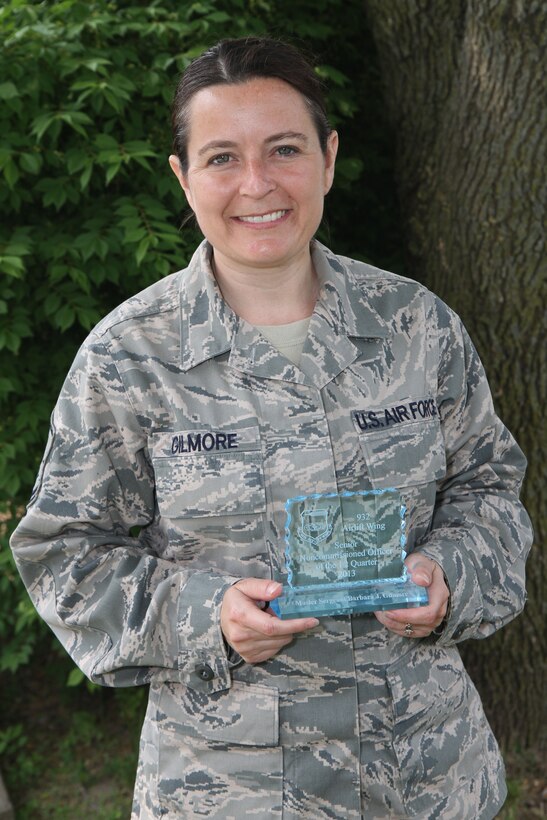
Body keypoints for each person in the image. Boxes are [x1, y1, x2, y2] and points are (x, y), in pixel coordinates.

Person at [10, 36, 533, 819]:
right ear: (183, 178)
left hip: (425, 781)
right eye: (221, 157)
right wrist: (205, 617)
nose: (256, 184)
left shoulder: (414, 325)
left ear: (326, 157)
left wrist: (449, 573)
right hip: (233, 792)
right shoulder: (128, 357)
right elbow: (65, 556)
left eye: (283, 149)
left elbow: (491, 493)